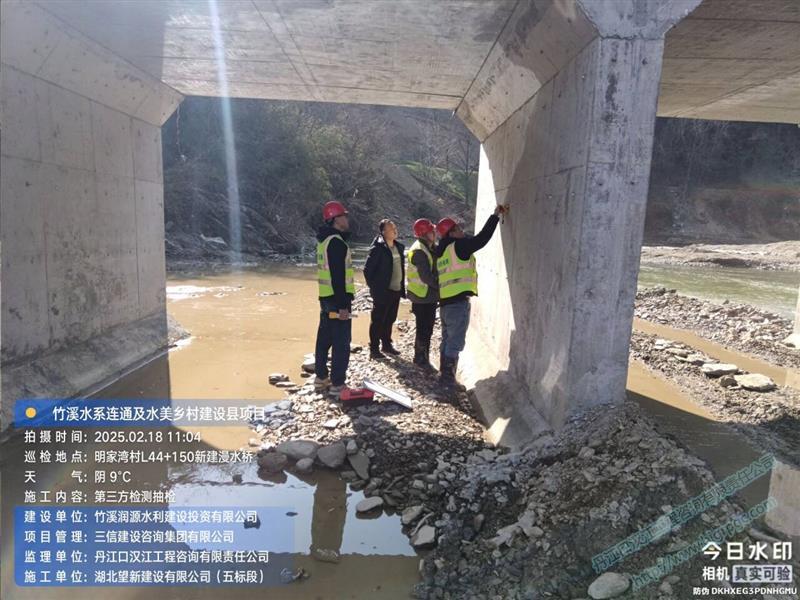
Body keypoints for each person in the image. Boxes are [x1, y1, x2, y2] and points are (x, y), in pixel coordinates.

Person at [435, 205, 508, 390]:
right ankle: (448, 381)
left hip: (445, 304)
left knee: (447, 339)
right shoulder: (459, 247)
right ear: (451, 233)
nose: (462, 230)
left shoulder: (441, 251)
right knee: (455, 342)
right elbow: (481, 239)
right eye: (458, 228)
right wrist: (495, 216)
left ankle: (443, 375)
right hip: (458, 304)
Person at [314, 200, 355, 399]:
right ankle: (338, 384)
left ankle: (321, 378)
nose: (347, 218)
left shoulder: (324, 241)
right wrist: (343, 306)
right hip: (337, 300)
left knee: (324, 339)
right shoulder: (337, 243)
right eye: (344, 215)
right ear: (335, 219)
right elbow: (338, 277)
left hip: (325, 298)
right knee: (341, 342)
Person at [363, 219, 405, 360]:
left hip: (396, 290)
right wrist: (375, 289)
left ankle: (386, 344)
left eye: (394, 227)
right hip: (383, 291)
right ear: (383, 232)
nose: (394, 230)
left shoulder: (398, 247)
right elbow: (367, 270)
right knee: (378, 321)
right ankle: (374, 349)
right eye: (391, 228)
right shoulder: (378, 249)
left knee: (390, 319)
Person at [406, 218, 439, 370]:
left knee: (427, 328)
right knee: (424, 329)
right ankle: (420, 359)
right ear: (425, 234)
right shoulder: (419, 251)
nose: (435, 233)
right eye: (432, 231)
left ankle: (422, 357)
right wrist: (442, 287)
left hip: (426, 296)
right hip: (422, 296)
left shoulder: (428, 247)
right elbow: (426, 277)